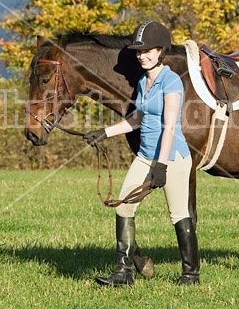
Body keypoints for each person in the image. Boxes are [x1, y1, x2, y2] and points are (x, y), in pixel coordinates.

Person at [83, 21, 199, 287]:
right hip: (145, 155)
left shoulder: (171, 81)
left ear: (161, 51)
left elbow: (170, 126)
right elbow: (137, 118)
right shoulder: (143, 81)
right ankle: (123, 274)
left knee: (178, 214)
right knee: (124, 208)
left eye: (149, 50)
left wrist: (161, 165)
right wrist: (104, 132)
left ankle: (191, 275)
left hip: (172, 158)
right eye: (139, 51)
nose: (143, 55)